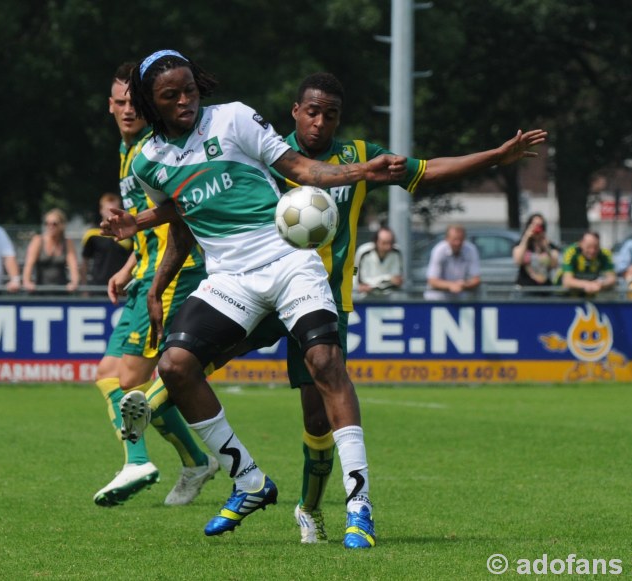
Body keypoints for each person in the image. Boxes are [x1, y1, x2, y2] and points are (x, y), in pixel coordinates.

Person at [107, 57, 544, 548]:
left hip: (291, 265)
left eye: (190, 90)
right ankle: (247, 480)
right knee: (176, 365)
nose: (186, 100)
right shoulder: (147, 161)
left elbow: (304, 171)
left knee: (324, 370)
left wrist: (371, 168)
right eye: (172, 96)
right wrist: (151, 267)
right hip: (230, 279)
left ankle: (356, 506)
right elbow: (182, 213)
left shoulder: (235, 119)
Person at [91, 62, 218, 509]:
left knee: (127, 380)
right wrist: (128, 266)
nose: (128, 109)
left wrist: (149, 270)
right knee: (110, 375)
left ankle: (138, 460)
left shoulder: (154, 150)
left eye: (134, 102)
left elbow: (178, 215)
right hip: (145, 272)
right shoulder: (127, 152)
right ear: (110, 106)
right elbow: (145, 225)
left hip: (172, 274)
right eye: (120, 102)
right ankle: (194, 459)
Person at [22, 208, 80, 293]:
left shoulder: (67, 243)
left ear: (62, 225)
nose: (50, 226)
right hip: (40, 292)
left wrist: (74, 283)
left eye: (54, 224)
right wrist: (27, 282)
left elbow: (73, 266)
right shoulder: (38, 241)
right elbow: (28, 265)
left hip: (61, 292)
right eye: (47, 223)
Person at [80, 193, 133, 286]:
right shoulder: (92, 234)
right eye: (108, 210)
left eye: (114, 210)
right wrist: (84, 288)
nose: (111, 213)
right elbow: (85, 262)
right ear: (101, 210)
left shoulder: (129, 234)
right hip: (97, 287)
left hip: (122, 286)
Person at [424, 225, 482, 300]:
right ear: (447, 239)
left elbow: (476, 279)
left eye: (460, 239)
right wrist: (451, 285)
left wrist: (464, 285)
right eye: (454, 239)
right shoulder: (439, 250)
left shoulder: (471, 250)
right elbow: (432, 281)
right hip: (437, 300)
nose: (457, 243)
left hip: (460, 300)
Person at [559, 231, 617, 296]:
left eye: (596, 247)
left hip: (590, 296)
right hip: (564, 297)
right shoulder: (571, 252)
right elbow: (567, 282)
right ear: (580, 244)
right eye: (588, 247)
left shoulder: (605, 254)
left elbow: (612, 279)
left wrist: (600, 284)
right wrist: (587, 284)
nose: (592, 251)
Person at [512, 213, 559, 289]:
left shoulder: (549, 246)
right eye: (534, 225)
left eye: (540, 226)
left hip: (545, 288)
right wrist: (526, 237)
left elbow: (554, 265)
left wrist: (546, 247)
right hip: (525, 287)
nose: (537, 229)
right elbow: (518, 261)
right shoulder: (522, 244)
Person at [355, 227, 403, 297]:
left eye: (391, 242)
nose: (388, 247)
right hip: (365, 297)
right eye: (384, 243)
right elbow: (355, 272)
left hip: (390, 297)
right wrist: (388, 279)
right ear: (376, 241)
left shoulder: (397, 252)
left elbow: (397, 280)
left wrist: (373, 284)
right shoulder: (363, 252)